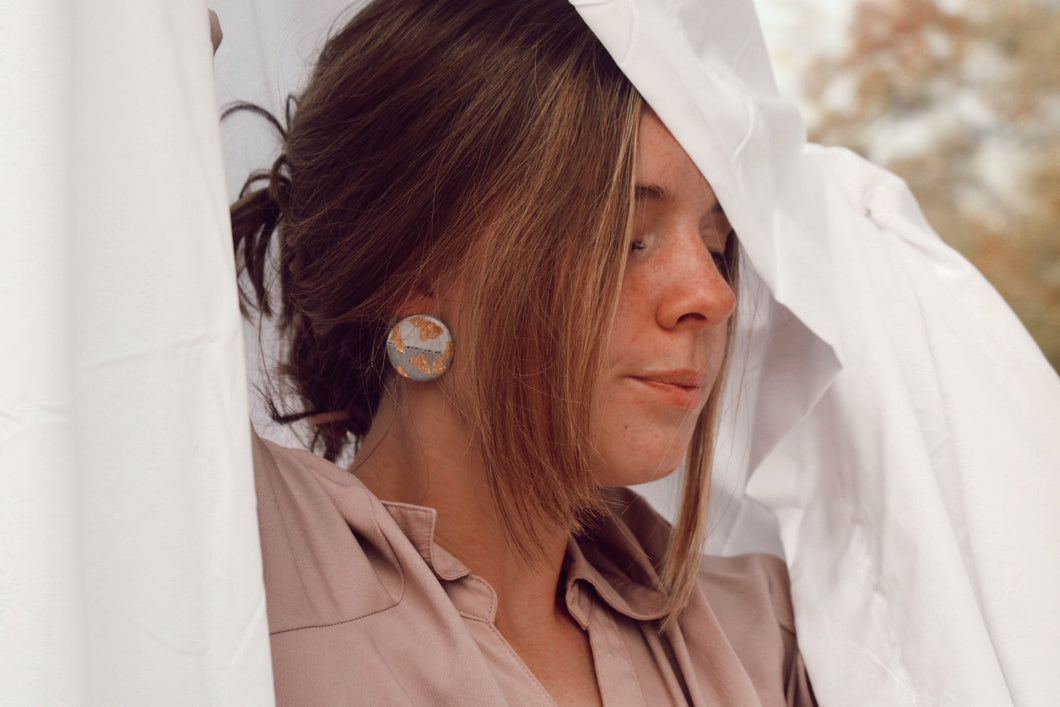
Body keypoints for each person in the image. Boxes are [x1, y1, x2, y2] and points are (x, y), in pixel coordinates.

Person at [227, 0, 815, 704]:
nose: (714, 296)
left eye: (718, 245)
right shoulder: (244, 574)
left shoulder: (769, 635)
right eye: (627, 235)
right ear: (417, 269)